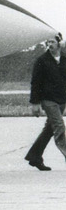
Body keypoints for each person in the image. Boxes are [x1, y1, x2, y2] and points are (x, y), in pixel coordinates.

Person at [25, 33, 66, 171]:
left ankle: (34, 156)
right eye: (48, 42)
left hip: (61, 99)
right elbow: (35, 82)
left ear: (59, 43)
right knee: (59, 126)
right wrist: (35, 103)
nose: (50, 45)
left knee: (50, 128)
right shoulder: (42, 60)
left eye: (52, 42)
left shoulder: (65, 59)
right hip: (48, 99)